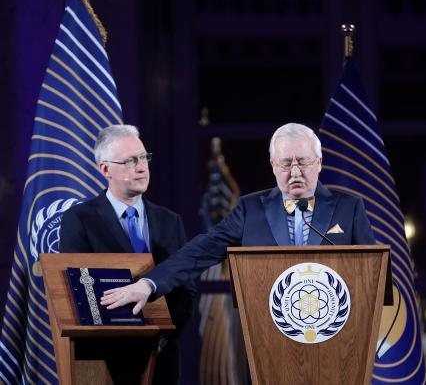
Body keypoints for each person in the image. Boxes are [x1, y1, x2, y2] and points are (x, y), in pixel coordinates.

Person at [100, 122, 376, 314]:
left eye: (302, 162)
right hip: (267, 340)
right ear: (272, 166)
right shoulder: (250, 210)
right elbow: (200, 251)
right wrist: (149, 284)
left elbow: (372, 279)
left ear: (319, 162)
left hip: (339, 340)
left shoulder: (349, 209)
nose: (294, 172)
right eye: (285, 163)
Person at [59, 124, 196, 385]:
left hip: (162, 357)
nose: (142, 167)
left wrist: (162, 336)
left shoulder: (170, 221)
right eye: (131, 161)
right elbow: (80, 292)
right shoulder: (79, 220)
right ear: (105, 169)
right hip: (102, 361)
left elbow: (186, 291)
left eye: (144, 157)